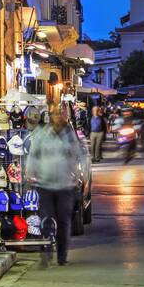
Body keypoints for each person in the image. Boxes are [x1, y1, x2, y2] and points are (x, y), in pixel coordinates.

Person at [24, 104, 89, 267]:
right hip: (45, 183)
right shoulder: (41, 134)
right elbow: (33, 155)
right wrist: (29, 171)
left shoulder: (70, 136)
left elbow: (79, 155)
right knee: (46, 217)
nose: (59, 117)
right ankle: (46, 248)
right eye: (56, 114)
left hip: (65, 185)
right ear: (51, 117)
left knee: (64, 221)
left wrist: (82, 175)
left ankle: (62, 255)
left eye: (62, 114)